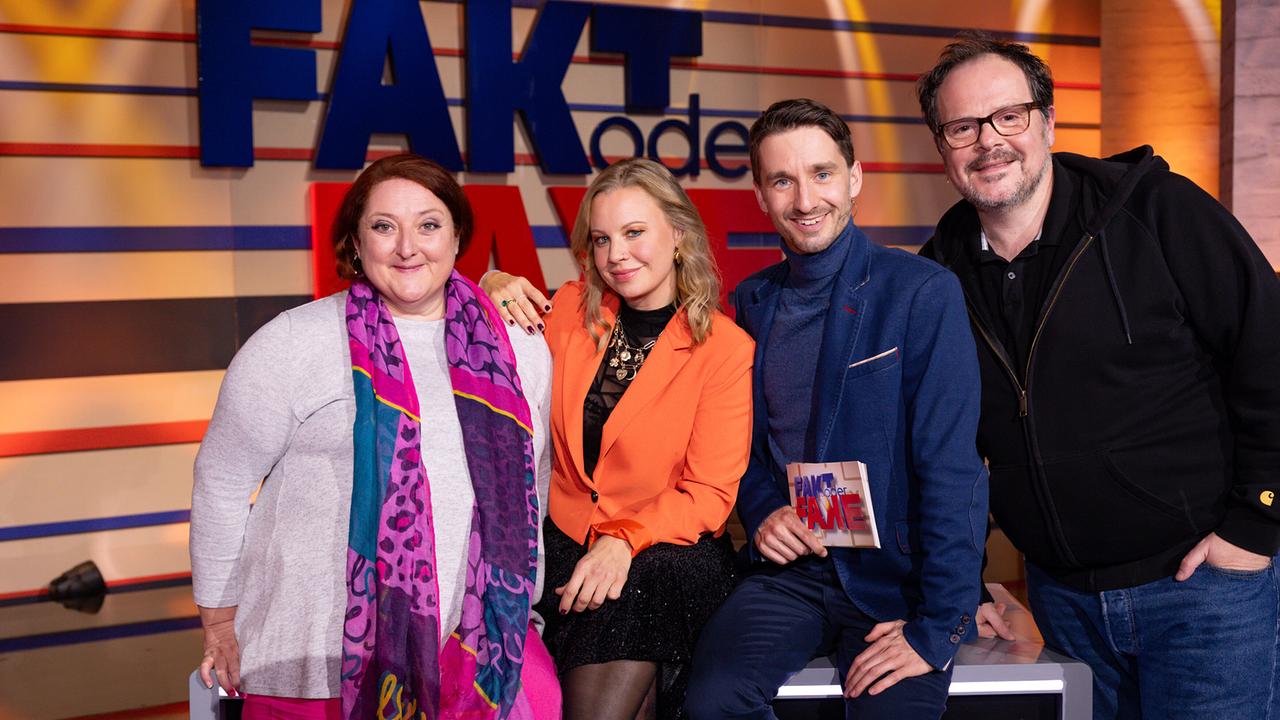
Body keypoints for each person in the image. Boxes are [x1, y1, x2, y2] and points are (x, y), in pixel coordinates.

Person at [916, 33, 1280, 720]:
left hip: (1204, 594)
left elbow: (1267, 349)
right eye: (962, 127)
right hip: (1064, 604)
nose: (989, 141)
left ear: (1048, 122)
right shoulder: (936, 279)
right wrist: (959, 584)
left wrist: (1256, 523)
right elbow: (942, 453)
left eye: (1009, 116)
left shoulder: (1157, 212)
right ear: (942, 146)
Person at [190, 153, 559, 719]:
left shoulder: (519, 345)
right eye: (384, 227)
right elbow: (221, 481)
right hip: (315, 664)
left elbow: (534, 483)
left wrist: (525, 604)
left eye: (429, 225)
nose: (408, 247)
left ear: (457, 235)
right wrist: (218, 620)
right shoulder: (294, 343)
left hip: (484, 653)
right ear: (356, 244)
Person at [684, 98, 988, 720]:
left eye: (822, 174)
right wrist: (764, 510)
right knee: (712, 701)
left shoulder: (921, 291)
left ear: (854, 179)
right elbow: (738, 442)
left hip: (899, 583)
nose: (805, 199)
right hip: (797, 573)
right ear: (762, 196)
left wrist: (938, 626)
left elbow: (953, 468)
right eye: (782, 180)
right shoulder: (755, 299)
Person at [480, 158, 754, 720]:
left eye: (634, 233)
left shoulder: (725, 349)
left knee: (636, 592)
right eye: (602, 239)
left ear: (678, 234)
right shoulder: (566, 312)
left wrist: (623, 539)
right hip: (566, 540)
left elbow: (708, 494)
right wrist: (487, 282)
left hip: (668, 550)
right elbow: (459, 320)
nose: (616, 255)